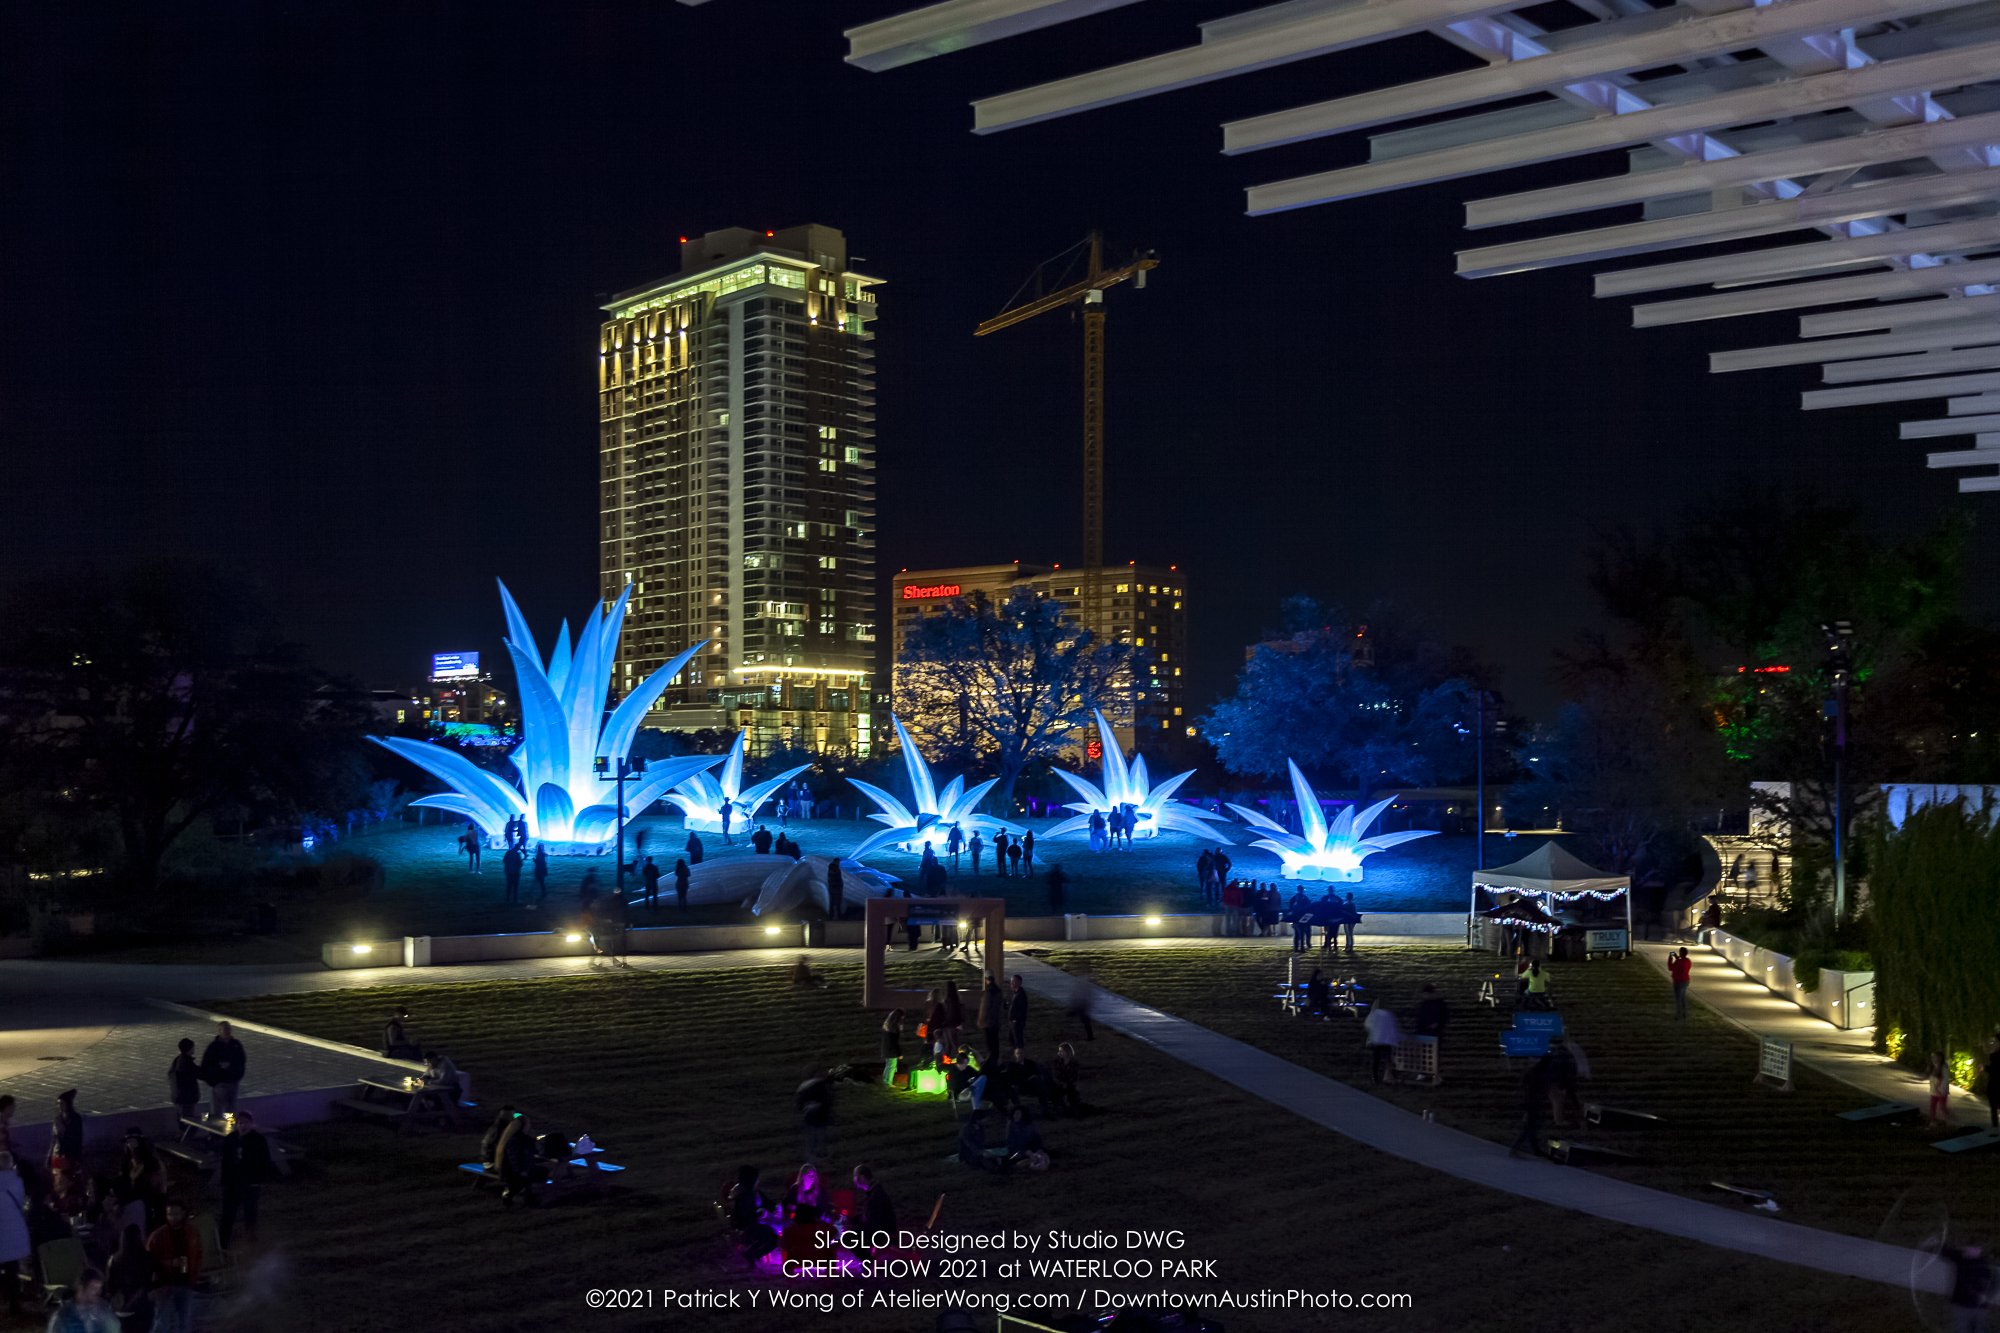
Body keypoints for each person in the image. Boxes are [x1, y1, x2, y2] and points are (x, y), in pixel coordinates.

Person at [145, 1200, 201, 1333]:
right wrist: (169, 1263)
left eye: (176, 1214)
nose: (173, 1217)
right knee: (162, 1322)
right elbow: (148, 1261)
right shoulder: (158, 1236)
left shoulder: (192, 1232)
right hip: (165, 1284)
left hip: (186, 1282)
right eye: (169, 1214)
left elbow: (198, 1254)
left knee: (184, 1320)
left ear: (183, 1213)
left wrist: (195, 1275)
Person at [218, 1112, 272, 1248]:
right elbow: (225, 1161)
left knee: (250, 1212)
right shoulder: (231, 1139)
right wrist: (225, 1181)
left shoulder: (258, 1140)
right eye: (240, 1123)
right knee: (228, 1213)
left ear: (251, 1124)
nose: (243, 1126)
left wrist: (258, 1180)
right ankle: (223, 1241)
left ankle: (250, 1239)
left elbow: (264, 1161)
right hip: (233, 1183)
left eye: (245, 1123)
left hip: (250, 1182)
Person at [725, 1166, 779, 1263]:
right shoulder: (743, 1195)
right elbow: (744, 1216)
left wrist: (773, 1207)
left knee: (773, 1230)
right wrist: (760, 1214)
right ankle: (752, 1255)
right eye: (757, 1178)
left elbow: (768, 1203)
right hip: (746, 1228)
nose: (758, 1181)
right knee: (774, 1238)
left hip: (753, 1223)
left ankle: (752, 1256)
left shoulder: (754, 1192)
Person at [494, 1112, 547, 1206]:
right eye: (528, 1125)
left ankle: (523, 1193)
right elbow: (514, 1160)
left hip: (514, 1170)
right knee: (542, 1172)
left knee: (540, 1171)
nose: (530, 1127)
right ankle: (523, 1195)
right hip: (514, 1172)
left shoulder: (512, 1138)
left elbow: (533, 1152)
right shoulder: (515, 1142)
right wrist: (522, 1171)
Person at [45, 1266, 118, 1333]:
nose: (98, 1293)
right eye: (93, 1288)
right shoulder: (62, 1318)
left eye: (99, 1289)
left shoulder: (103, 1311)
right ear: (80, 1288)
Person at [105, 1223, 152, 1324]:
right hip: (141, 1307)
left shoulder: (113, 1260)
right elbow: (151, 1281)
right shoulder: (146, 1258)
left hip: (120, 1307)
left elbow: (109, 1285)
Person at [1943, 1242, 1994, 1333]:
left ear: (1978, 1250)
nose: (1965, 1249)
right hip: (1962, 1305)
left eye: (1971, 1248)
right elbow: (1947, 1252)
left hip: (1978, 1307)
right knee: (1962, 1328)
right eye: (1966, 1247)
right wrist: (1938, 1243)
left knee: (1979, 1329)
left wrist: (1986, 1296)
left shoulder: (1984, 1265)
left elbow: (1992, 1283)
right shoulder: (1961, 1258)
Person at [0, 1153, 26, 1320]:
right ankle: (14, 1303)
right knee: (12, 1269)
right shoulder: (17, 1182)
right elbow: (20, 1201)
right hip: (13, 1230)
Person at [796, 1070, 834, 1160]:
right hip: (820, 1115)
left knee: (811, 1135)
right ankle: (821, 1153)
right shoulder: (823, 1085)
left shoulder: (803, 1086)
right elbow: (827, 1100)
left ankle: (810, 1153)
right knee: (821, 1134)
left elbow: (799, 1103)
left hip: (808, 1114)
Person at [1363, 998, 1401, 1084]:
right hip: (1387, 1041)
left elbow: (1367, 1025)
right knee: (1388, 1059)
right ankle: (1390, 1076)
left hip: (1376, 1040)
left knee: (1376, 1060)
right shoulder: (1389, 1014)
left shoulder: (1374, 1014)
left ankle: (1375, 1077)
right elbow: (1393, 1028)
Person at [167, 1039, 202, 1127]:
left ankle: (183, 1134)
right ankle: (186, 1137)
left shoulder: (178, 1060)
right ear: (189, 1049)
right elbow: (198, 1073)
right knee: (188, 1120)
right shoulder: (186, 1062)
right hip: (187, 1097)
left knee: (182, 1118)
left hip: (179, 1096)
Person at [851, 1165, 894, 1233]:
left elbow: (872, 1222)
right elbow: (869, 1216)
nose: (854, 1180)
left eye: (855, 1176)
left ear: (862, 1177)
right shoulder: (873, 1191)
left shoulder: (876, 1194)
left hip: (881, 1233)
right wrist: (852, 1219)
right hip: (879, 1230)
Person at [50, 1090, 83, 1170]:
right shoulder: (57, 1119)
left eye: (62, 1103)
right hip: (58, 1154)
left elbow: (78, 1139)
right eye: (58, 1104)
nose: (59, 1106)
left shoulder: (76, 1118)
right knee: (59, 1178)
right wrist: (49, 1156)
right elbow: (54, 1139)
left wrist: (77, 1158)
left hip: (70, 1156)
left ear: (68, 1104)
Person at [1414, 984, 1449, 1050]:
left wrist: (1437, 1024)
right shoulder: (1425, 1004)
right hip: (1424, 1033)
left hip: (1432, 1033)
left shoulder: (1438, 1004)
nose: (1424, 996)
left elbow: (1443, 1017)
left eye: (1425, 994)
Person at [979, 974, 1005, 1063]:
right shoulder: (998, 991)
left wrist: (981, 1021)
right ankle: (995, 1059)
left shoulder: (988, 992)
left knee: (990, 1043)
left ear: (987, 980)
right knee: (995, 1042)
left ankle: (991, 1060)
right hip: (995, 1021)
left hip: (988, 1022)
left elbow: (985, 1008)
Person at [1929, 1051, 1954, 1129]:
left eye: (1935, 1057)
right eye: (1932, 1057)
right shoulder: (1934, 1066)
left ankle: (1949, 1119)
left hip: (1941, 1091)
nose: (1933, 1059)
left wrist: (1942, 1090)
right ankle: (1932, 1121)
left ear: (1940, 1058)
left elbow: (1945, 1080)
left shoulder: (1944, 1067)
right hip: (1934, 1090)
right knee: (1932, 1106)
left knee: (1942, 1107)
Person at [1668, 947, 1693, 1020]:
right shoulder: (1688, 961)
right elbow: (1681, 963)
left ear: (1681, 953)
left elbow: (1670, 967)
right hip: (1685, 980)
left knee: (1678, 998)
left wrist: (1670, 958)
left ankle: (1679, 1014)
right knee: (1682, 998)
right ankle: (1684, 1013)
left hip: (1678, 981)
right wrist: (1677, 958)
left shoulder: (1679, 961)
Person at [1008, 974, 1029, 1052]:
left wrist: (1016, 1020)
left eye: (1013, 982)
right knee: (1012, 1040)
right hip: (1012, 1022)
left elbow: (1022, 1009)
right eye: (1011, 982)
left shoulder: (1021, 995)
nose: (1011, 984)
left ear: (1019, 982)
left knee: (1018, 1041)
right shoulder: (1015, 994)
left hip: (1017, 1022)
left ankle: (1019, 1056)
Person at [1987, 1031, 2000, 1129]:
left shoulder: (1995, 1056)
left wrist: (1985, 1068)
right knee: (1994, 1109)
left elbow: (1995, 1071)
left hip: (1995, 1085)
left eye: (1995, 1041)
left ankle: (1995, 1129)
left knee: (1994, 1109)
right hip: (1994, 1085)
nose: (1993, 1043)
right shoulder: (1994, 1055)